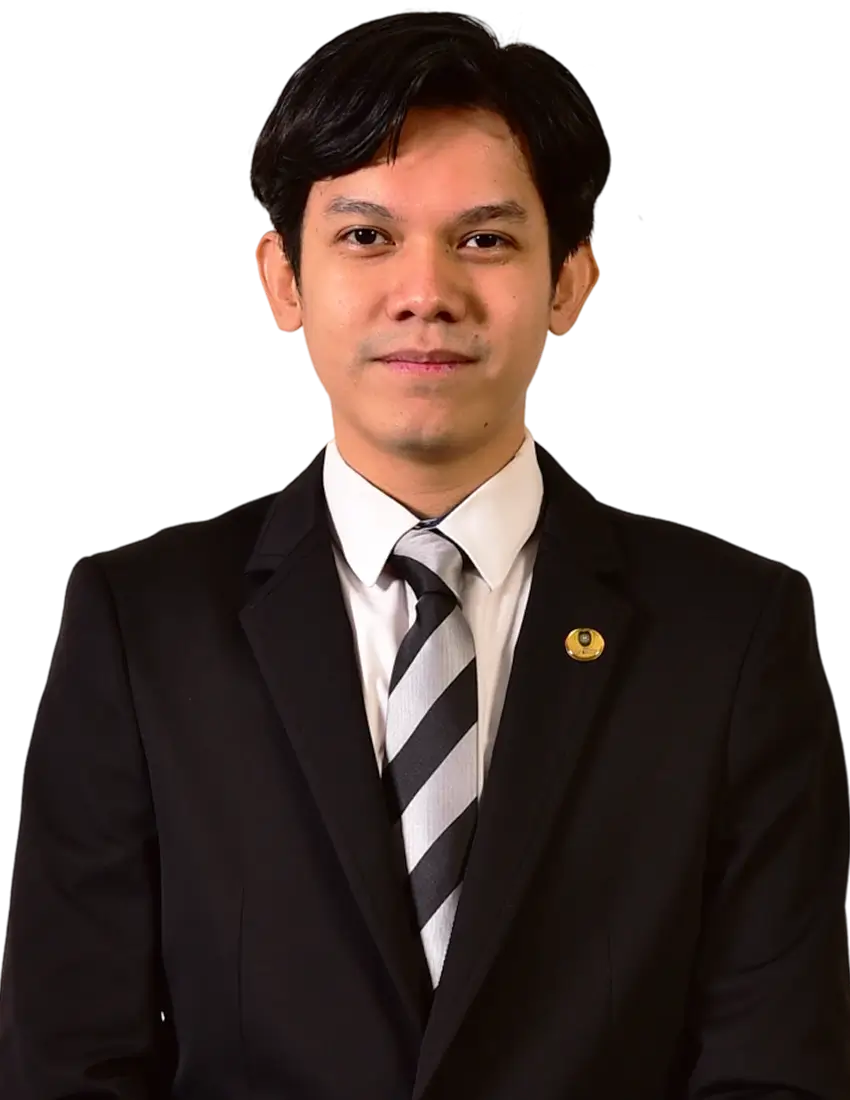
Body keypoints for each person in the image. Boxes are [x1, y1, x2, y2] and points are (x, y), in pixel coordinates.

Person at [2, 11, 848, 1099]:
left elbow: (774, 1064)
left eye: (484, 240)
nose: (426, 292)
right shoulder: (142, 625)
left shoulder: (729, 633)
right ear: (280, 280)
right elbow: (71, 1060)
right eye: (366, 237)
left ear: (571, 283)